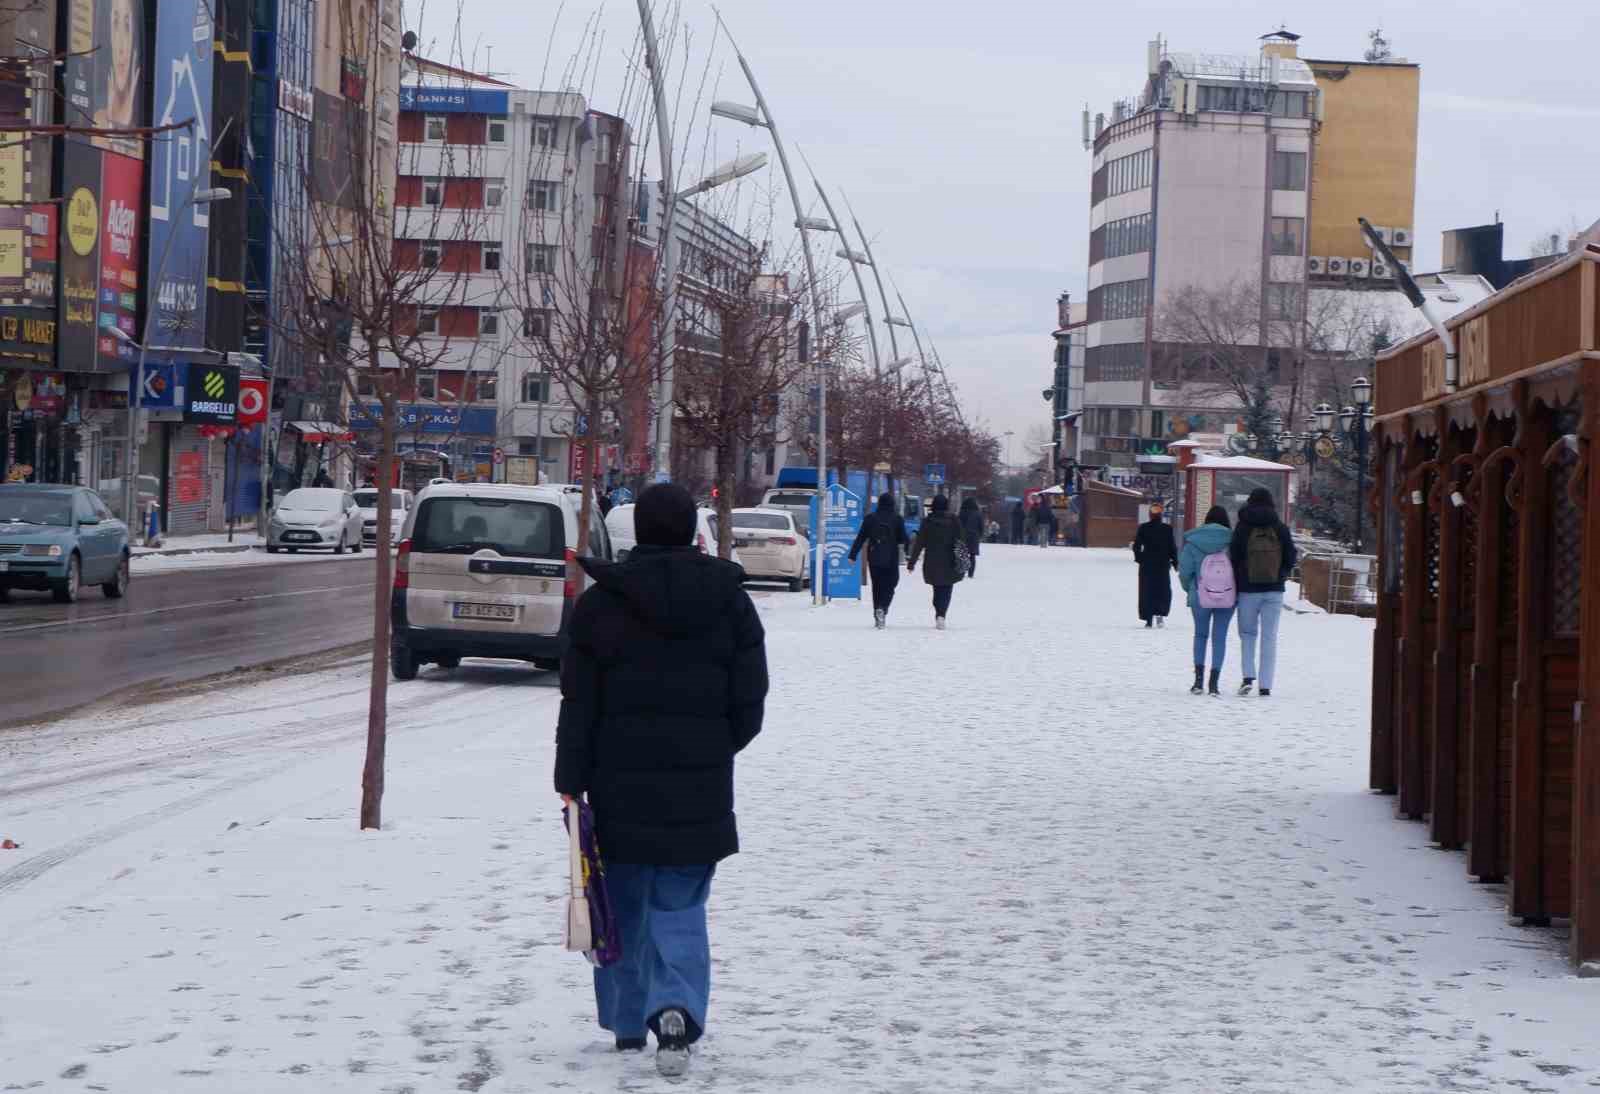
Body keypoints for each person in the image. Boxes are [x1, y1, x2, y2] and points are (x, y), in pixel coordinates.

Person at [554, 483, 768, 1078]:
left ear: (640, 533)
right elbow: (750, 696)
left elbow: (579, 701)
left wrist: (571, 776)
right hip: (699, 787)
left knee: (620, 903)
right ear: (692, 530)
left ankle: (627, 1022)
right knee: (680, 901)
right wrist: (716, 744)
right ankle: (674, 1006)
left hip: (617, 782)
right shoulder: (730, 603)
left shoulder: (602, 605)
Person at [1229, 487, 1297, 697]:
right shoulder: (1279, 527)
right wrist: (1281, 574)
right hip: (1274, 590)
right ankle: (1266, 685)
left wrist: (1241, 577)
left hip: (1248, 589)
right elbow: (1291, 555)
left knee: (1248, 634)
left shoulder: (1242, 526)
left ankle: (1248, 676)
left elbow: (1234, 555)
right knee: (1269, 637)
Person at [1178, 505, 1236, 696]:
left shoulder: (1193, 541)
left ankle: (1198, 681)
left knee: (1200, 635)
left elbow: (1185, 571)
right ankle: (1214, 682)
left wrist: (1191, 589)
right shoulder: (1233, 540)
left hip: (1200, 595)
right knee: (1219, 637)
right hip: (1227, 596)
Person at [848, 491, 910, 629]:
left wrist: (853, 555)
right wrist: (907, 551)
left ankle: (878, 614)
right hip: (891, 558)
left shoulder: (870, 518)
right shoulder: (897, 518)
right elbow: (903, 539)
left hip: (874, 557)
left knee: (877, 586)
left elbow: (861, 537)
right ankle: (883, 608)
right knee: (891, 584)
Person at [907, 493, 963, 629]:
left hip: (932, 560)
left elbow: (919, 543)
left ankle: (939, 612)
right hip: (950, 560)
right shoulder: (954, 520)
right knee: (947, 588)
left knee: (937, 589)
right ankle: (941, 614)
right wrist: (962, 559)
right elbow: (961, 540)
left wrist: (912, 562)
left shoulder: (927, 521)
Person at [1132, 502, 1179, 628]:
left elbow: (1136, 546)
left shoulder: (1143, 528)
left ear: (1150, 514)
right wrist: (1175, 562)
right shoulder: (1167, 529)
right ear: (1161, 514)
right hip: (1162, 565)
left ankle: (1148, 619)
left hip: (1147, 566)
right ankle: (1160, 615)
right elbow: (1172, 548)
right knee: (1162, 590)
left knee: (1147, 591)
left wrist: (1140, 559)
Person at [958, 496, 983, 578]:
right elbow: (981, 526)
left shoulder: (962, 512)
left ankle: (962, 572)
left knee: (962, 555)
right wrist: (980, 535)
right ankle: (971, 573)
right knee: (972, 556)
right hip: (974, 537)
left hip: (962, 536)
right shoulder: (978, 514)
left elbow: (957, 525)